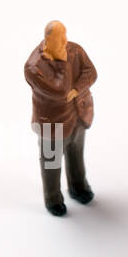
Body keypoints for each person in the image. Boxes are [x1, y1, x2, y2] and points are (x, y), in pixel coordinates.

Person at [24, 21, 97, 216]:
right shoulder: (34, 67)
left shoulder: (75, 50)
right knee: (51, 162)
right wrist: (63, 63)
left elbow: (91, 72)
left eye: (65, 35)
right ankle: (53, 198)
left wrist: (76, 89)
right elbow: (59, 91)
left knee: (76, 155)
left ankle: (78, 187)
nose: (65, 42)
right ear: (48, 41)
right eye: (60, 38)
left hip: (78, 116)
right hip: (51, 124)